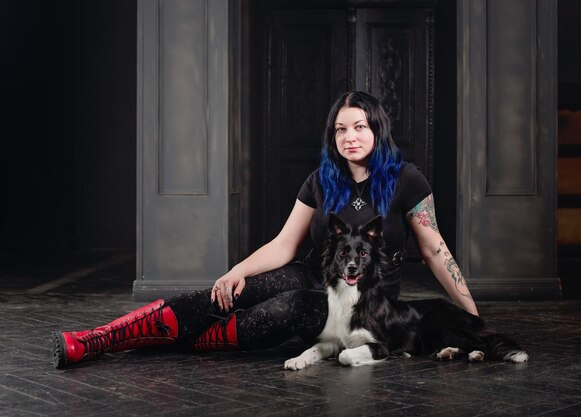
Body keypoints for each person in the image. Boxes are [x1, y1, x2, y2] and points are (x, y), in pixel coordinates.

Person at [52, 91, 478, 369]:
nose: (350, 137)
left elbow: (436, 251)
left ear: (377, 129)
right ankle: (98, 339)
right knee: (230, 293)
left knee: (290, 306)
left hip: (365, 301)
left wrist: (472, 321)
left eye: (360, 126)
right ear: (333, 137)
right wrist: (237, 271)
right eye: (341, 129)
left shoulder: (407, 179)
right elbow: (284, 244)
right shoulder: (321, 179)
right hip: (315, 273)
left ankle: (165, 342)